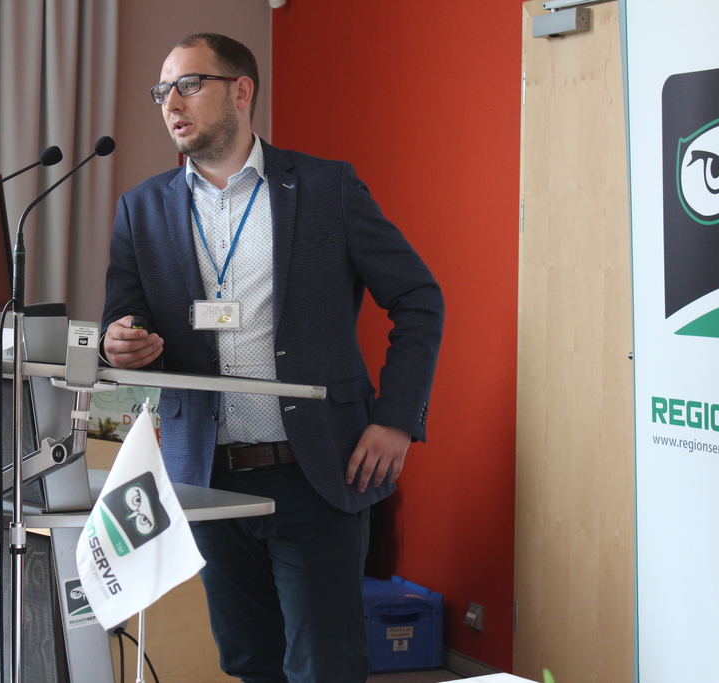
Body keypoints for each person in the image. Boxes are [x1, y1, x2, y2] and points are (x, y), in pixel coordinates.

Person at [101, 32, 444, 683]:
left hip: (317, 469)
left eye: (188, 84)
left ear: (241, 90)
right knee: (248, 661)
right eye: (162, 91)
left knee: (323, 666)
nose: (171, 102)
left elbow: (419, 298)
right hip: (208, 476)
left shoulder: (326, 188)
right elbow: (125, 317)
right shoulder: (142, 209)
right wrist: (122, 339)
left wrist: (397, 418)